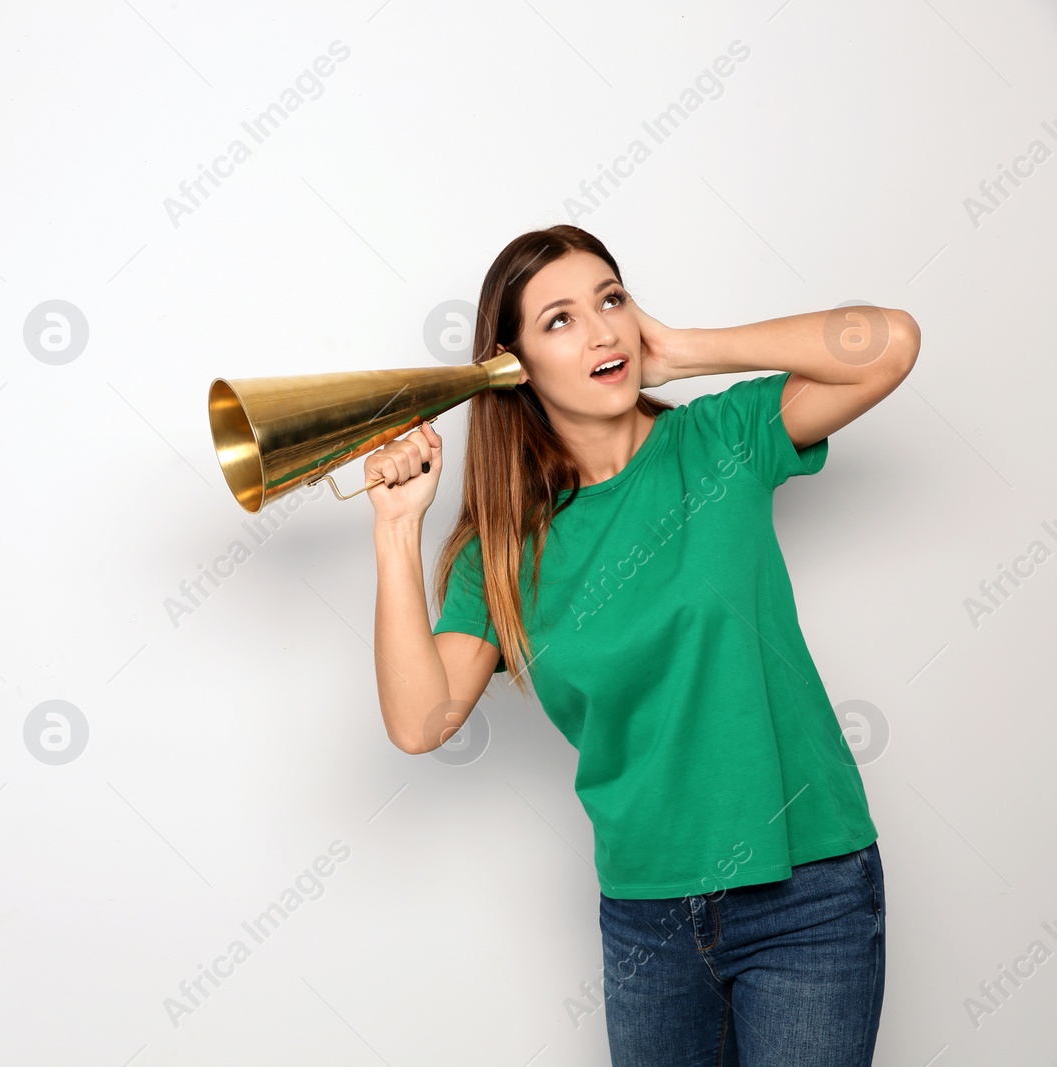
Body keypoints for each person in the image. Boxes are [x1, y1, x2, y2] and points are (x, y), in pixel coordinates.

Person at [366, 225, 917, 1066]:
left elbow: (888, 344)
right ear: (513, 364)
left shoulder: (718, 443)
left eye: (611, 300)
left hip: (808, 895)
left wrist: (682, 351)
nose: (600, 330)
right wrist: (396, 531)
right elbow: (420, 717)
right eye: (559, 319)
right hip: (647, 919)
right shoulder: (507, 549)